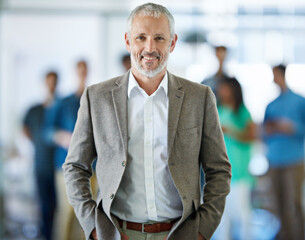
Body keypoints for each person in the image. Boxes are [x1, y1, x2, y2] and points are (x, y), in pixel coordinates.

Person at [63, 3, 231, 240]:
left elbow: (219, 170)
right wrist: (93, 227)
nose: (149, 47)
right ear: (128, 41)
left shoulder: (199, 98)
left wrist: (202, 231)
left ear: (172, 43)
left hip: (180, 233)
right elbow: (74, 167)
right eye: (141, 37)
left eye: (159, 38)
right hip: (117, 232)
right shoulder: (96, 98)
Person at [263, 64, 305, 240]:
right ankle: (284, 235)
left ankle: (298, 235)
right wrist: (270, 130)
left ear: (282, 74)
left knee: (293, 203)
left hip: (294, 160)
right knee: (277, 203)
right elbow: (263, 133)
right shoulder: (271, 105)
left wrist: (291, 127)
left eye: (275, 75)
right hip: (274, 160)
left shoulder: (299, 101)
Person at [49, 60, 88, 240]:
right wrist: (62, 137)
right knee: (67, 212)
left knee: (86, 216)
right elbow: (46, 131)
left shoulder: (93, 98)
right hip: (66, 166)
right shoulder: (63, 103)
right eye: (79, 70)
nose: (82, 73)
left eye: (84, 70)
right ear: (75, 72)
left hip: (91, 168)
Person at [213, 77, 256, 240]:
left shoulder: (243, 111)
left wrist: (230, 131)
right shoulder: (217, 110)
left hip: (239, 172)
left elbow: (251, 136)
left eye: (225, 88)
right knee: (222, 216)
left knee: (243, 214)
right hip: (219, 172)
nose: (222, 92)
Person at [23, 71, 58, 240]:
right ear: (45, 83)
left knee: (57, 207)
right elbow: (25, 129)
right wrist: (37, 143)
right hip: (40, 165)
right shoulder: (34, 110)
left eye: (54, 82)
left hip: (58, 167)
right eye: (48, 82)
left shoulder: (60, 107)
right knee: (44, 206)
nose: (51, 85)